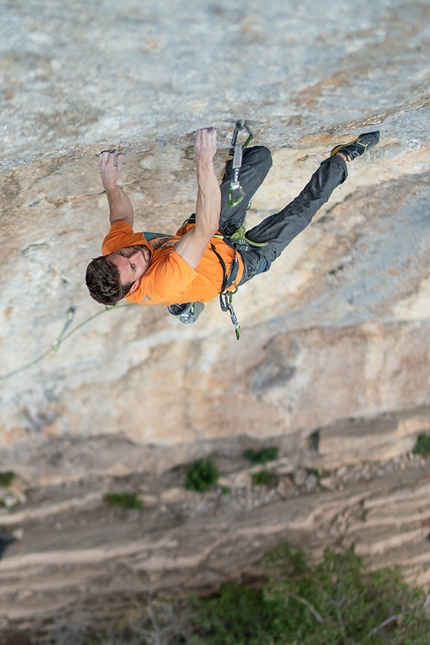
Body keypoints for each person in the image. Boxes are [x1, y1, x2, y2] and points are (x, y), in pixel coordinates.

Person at [85, 128, 379, 330]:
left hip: (212, 235)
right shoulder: (163, 282)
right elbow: (205, 226)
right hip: (239, 261)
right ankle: (342, 159)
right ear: (135, 285)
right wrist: (204, 161)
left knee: (260, 157)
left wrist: (110, 185)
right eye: (135, 265)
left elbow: (120, 219)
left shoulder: (115, 256)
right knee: (301, 210)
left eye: (123, 252)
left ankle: (229, 175)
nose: (136, 252)